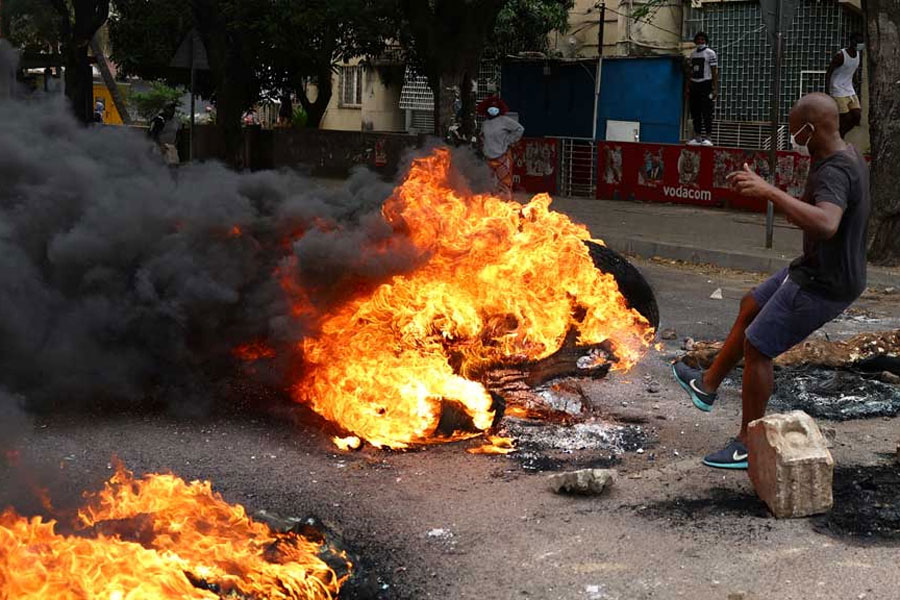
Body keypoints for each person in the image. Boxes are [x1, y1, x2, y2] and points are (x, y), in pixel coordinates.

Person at [672, 93, 870, 469]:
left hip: (823, 283)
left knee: (758, 347)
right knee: (751, 303)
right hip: (813, 267)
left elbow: (827, 223)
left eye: (795, 129)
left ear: (811, 129)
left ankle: (748, 442)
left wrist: (770, 192)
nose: (792, 136)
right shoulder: (845, 154)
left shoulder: (834, 171)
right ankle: (707, 384)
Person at [479, 97, 524, 199]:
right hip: (488, 157)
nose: (493, 109)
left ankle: (506, 207)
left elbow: (519, 129)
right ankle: (492, 206)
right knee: (489, 186)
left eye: (495, 107)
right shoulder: (485, 123)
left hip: (502, 157)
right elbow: (482, 137)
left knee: (505, 185)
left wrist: (509, 140)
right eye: (490, 107)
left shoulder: (505, 120)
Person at [826, 32, 865, 138]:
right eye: (858, 42)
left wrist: (856, 80)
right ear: (852, 42)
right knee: (845, 117)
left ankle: (840, 133)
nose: (861, 44)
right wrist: (827, 91)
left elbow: (853, 68)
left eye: (862, 42)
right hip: (837, 89)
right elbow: (829, 72)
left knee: (857, 116)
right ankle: (838, 136)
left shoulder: (858, 55)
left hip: (849, 89)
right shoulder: (841, 56)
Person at [686, 32, 718, 146]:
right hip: (695, 84)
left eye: (702, 39)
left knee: (707, 111)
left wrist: (715, 88)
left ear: (706, 41)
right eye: (698, 39)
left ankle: (708, 136)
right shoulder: (693, 54)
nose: (700, 41)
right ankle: (698, 136)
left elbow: (714, 71)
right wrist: (688, 86)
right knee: (695, 112)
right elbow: (690, 71)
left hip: (706, 84)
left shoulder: (710, 53)